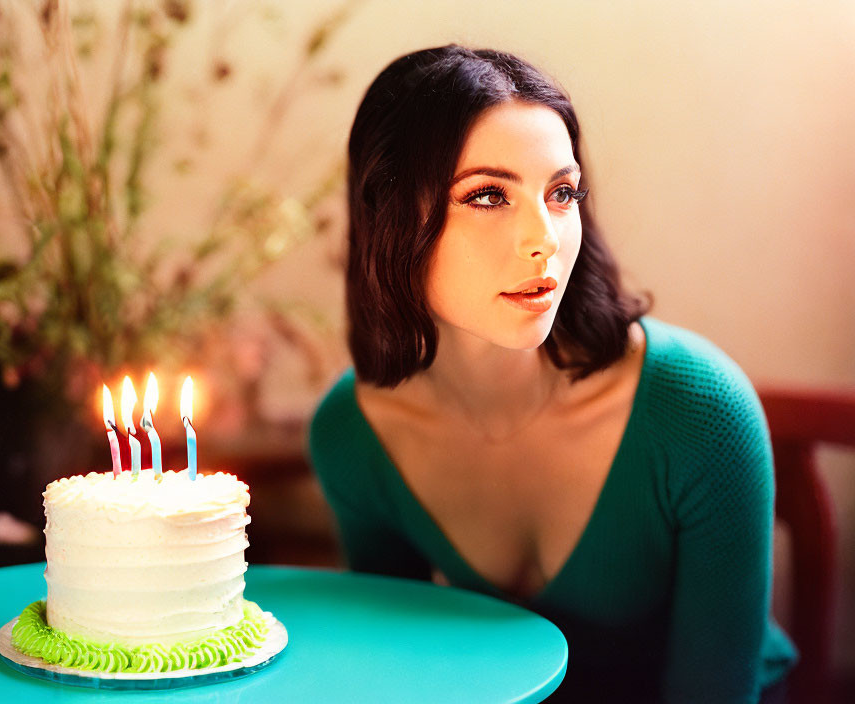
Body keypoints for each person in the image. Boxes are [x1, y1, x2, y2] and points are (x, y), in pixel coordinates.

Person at [308, 45, 797, 703]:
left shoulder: (701, 415)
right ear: (390, 215)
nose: (543, 238)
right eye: (487, 195)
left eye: (561, 192)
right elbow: (399, 672)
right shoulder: (354, 433)